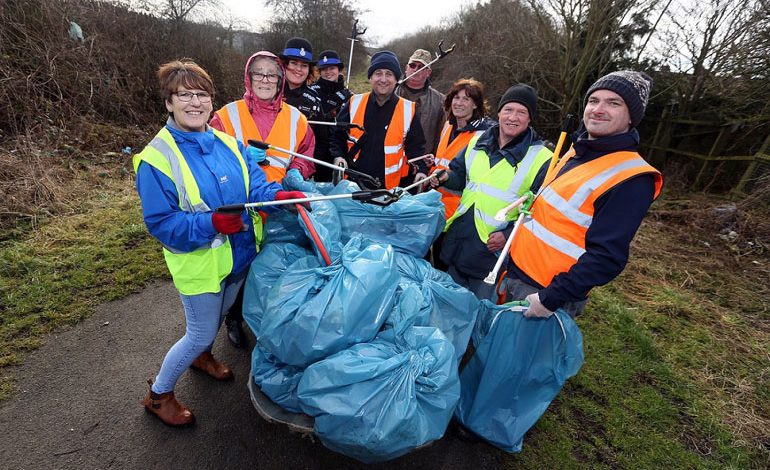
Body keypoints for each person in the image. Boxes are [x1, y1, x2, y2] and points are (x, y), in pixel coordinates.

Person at [134, 59, 307, 426]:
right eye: (184, 96)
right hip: (201, 265)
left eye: (202, 95)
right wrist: (210, 222)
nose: (194, 103)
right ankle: (159, 393)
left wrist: (276, 198)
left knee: (209, 326)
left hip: (240, 256)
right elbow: (161, 222)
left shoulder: (227, 143)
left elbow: (255, 185)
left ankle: (201, 356)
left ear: (211, 101)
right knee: (198, 332)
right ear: (169, 102)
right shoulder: (156, 159)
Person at [504, 71, 663, 318]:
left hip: (544, 295)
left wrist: (549, 299)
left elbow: (607, 258)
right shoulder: (577, 152)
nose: (598, 109)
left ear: (632, 116)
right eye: (593, 101)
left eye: (613, 103)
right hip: (516, 271)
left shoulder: (632, 177)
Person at [210, 51, 315, 348]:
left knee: (271, 267)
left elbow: (306, 156)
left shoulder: (297, 119)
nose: (265, 80)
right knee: (238, 270)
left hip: (279, 208)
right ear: (249, 77)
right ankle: (233, 318)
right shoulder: (226, 116)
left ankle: (267, 319)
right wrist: (240, 157)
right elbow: (210, 158)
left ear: (280, 80)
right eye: (259, 73)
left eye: (272, 74)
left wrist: (295, 174)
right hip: (241, 208)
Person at [430, 84, 552, 300]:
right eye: (508, 110)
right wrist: (446, 177)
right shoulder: (478, 141)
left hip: (491, 253)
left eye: (521, 112)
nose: (513, 117)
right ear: (499, 112)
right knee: (446, 305)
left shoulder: (542, 159)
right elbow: (460, 175)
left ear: (530, 118)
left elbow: (539, 212)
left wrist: (507, 235)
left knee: (479, 315)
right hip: (460, 241)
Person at [330, 50, 429, 190]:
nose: (383, 79)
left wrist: (421, 170)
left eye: (389, 74)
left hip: (391, 191)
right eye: (378, 73)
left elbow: (416, 148)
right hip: (352, 187)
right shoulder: (353, 103)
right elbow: (337, 137)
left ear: (396, 80)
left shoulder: (409, 109)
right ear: (370, 78)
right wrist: (338, 156)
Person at [430, 78, 494, 270]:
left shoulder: (484, 134)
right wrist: (432, 163)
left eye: (466, 99)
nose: (459, 103)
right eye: (456, 97)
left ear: (476, 104)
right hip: (437, 205)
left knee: (445, 265)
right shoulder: (449, 126)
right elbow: (445, 159)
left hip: (459, 213)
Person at [309, 50, 353, 182]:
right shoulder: (312, 91)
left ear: (339, 69)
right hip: (316, 149)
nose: (328, 72)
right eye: (324, 69)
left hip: (339, 151)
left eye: (332, 68)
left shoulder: (348, 95)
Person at [396, 48, 446, 156]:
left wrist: (434, 159)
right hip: (391, 160)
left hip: (421, 163)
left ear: (429, 72)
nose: (415, 69)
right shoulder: (390, 93)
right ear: (406, 68)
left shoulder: (441, 101)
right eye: (412, 65)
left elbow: (441, 136)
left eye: (422, 67)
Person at [279, 37, 323, 122]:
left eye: (304, 65)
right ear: (283, 65)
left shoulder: (314, 100)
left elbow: (322, 134)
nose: (299, 69)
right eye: (294, 63)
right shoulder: (268, 92)